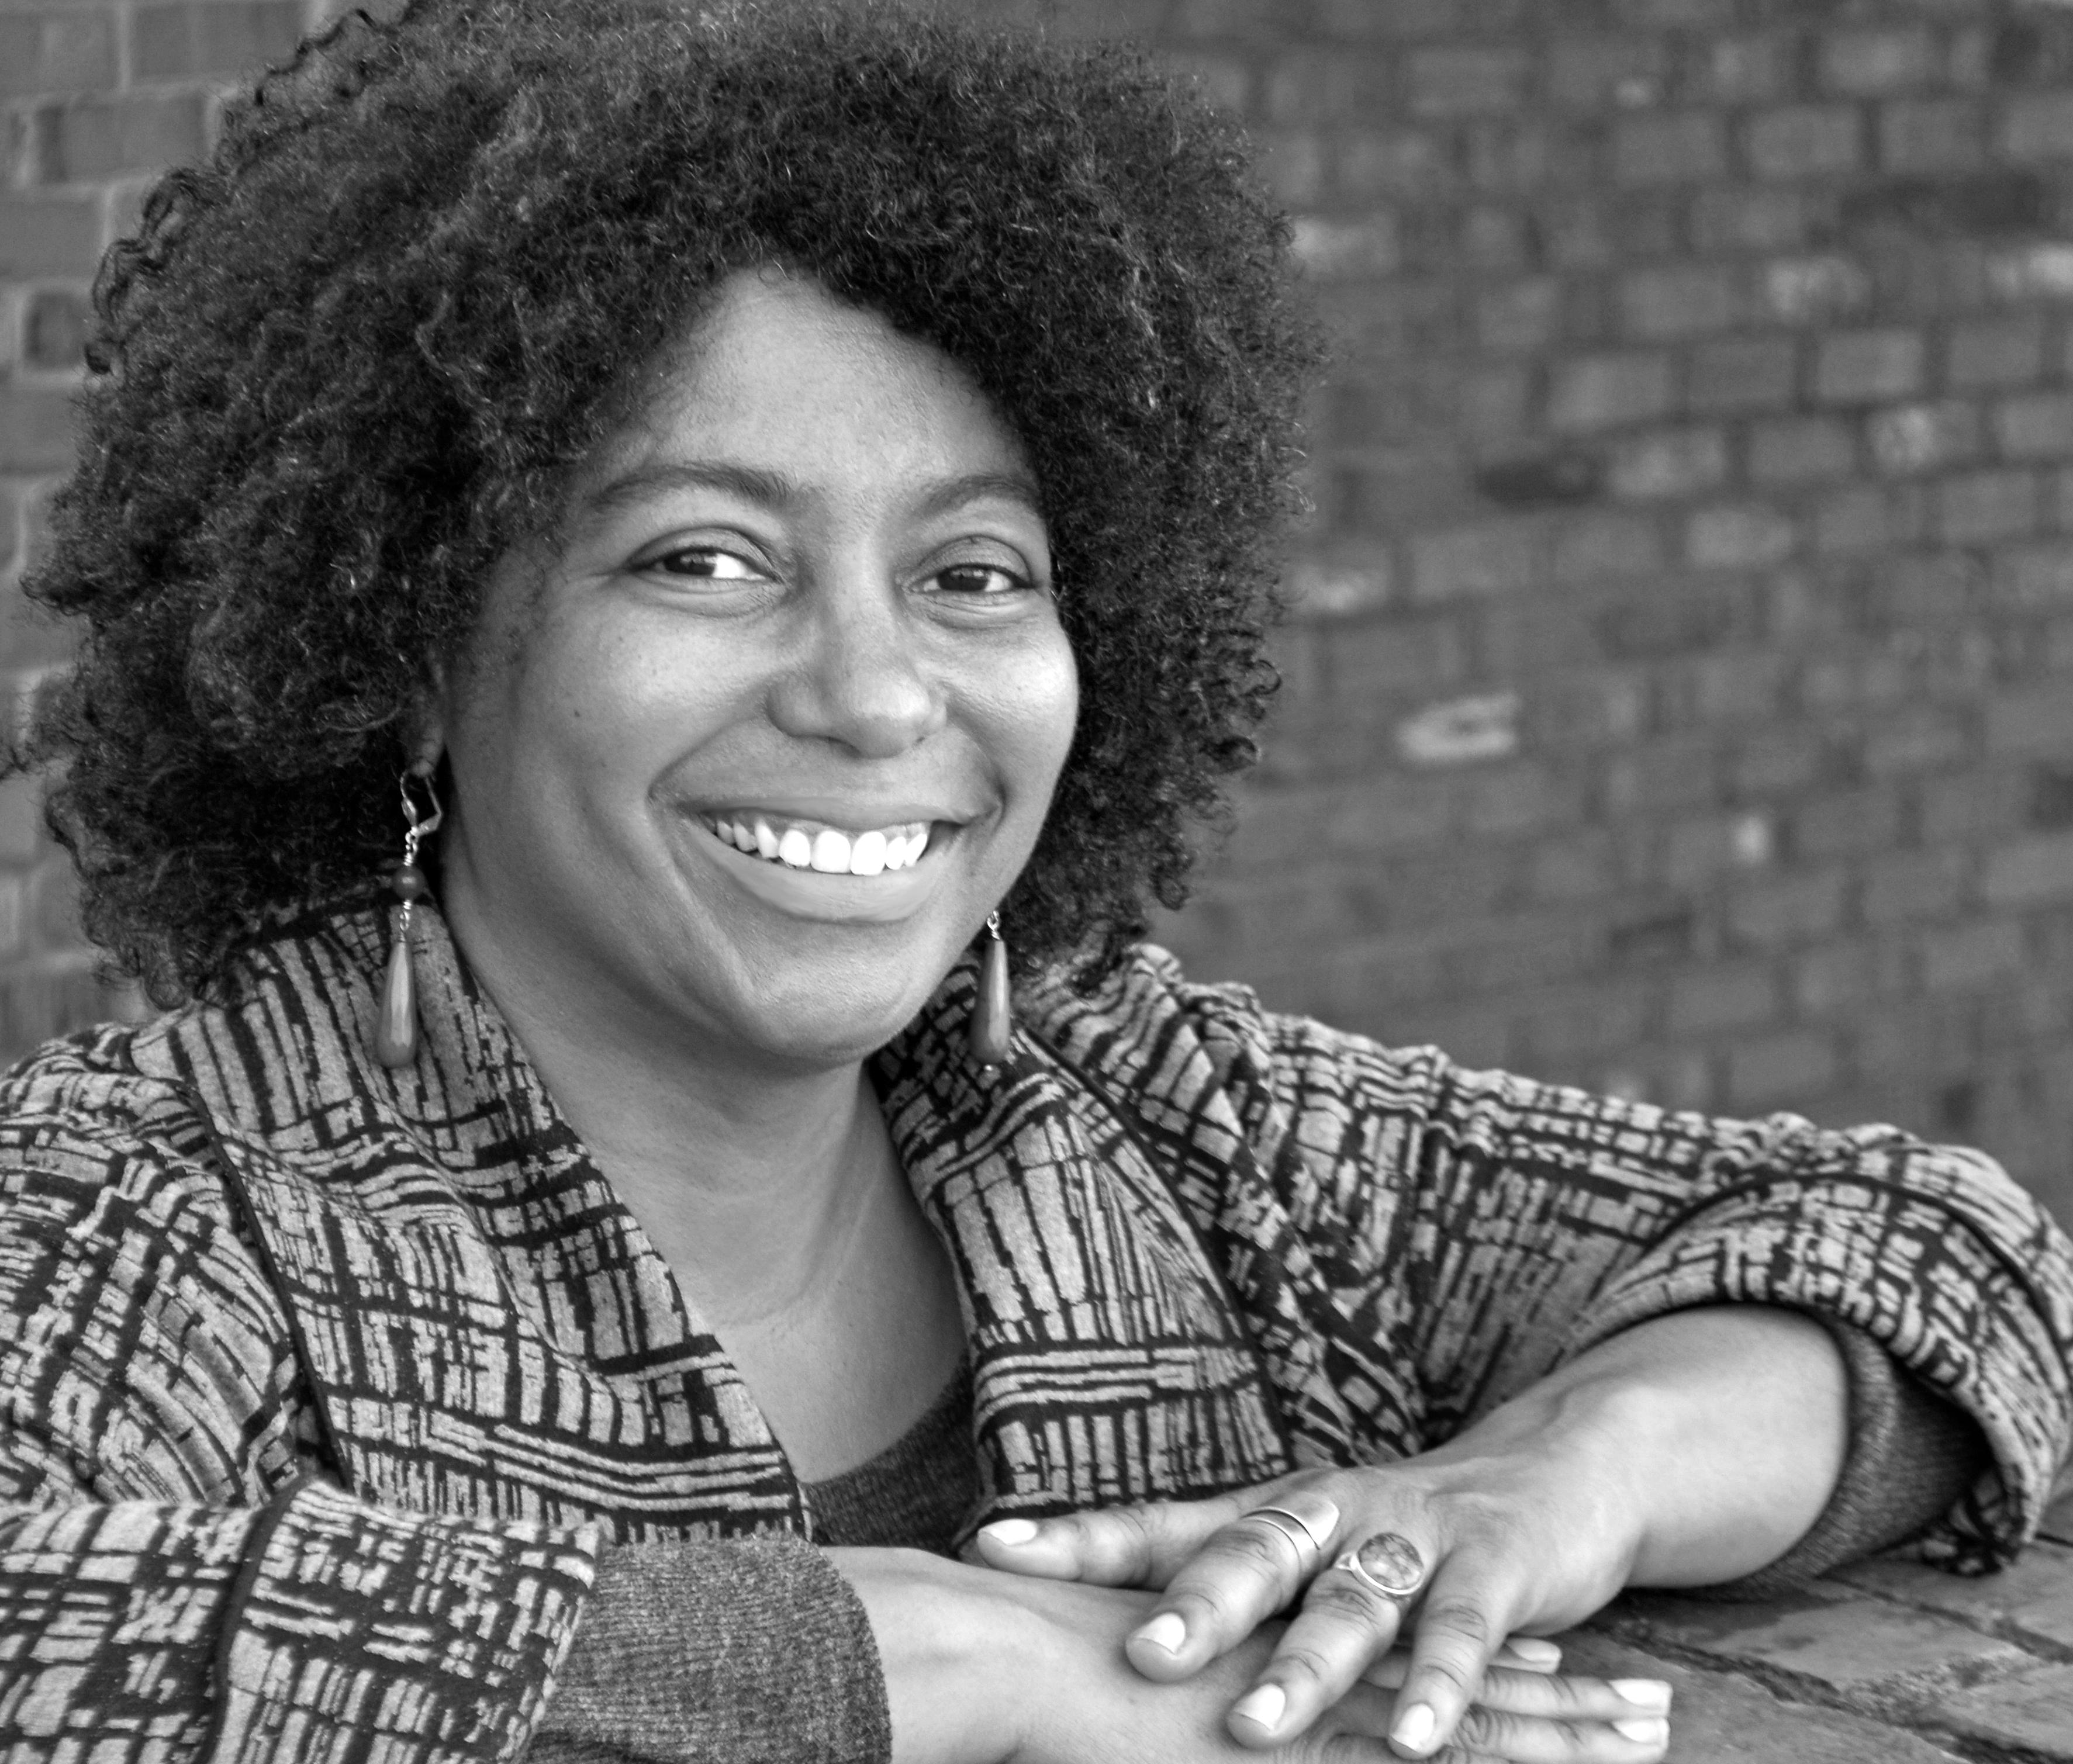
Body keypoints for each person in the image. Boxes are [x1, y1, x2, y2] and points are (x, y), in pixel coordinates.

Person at [1, 1, 2068, 1760]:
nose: (879, 692)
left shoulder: (1170, 1118)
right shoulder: (169, 1192)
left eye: (972, 572)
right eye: (701, 557)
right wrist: (943, 1660)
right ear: (412, 651)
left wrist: (1547, 1479)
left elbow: (1937, 1256)